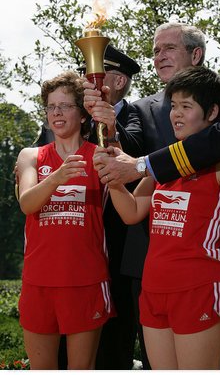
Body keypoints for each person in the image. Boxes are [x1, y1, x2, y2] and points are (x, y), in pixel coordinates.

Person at [84, 21, 220, 368]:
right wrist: (109, 135)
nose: (158, 57)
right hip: (152, 278)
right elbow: (133, 163)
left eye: (168, 49)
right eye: (155, 50)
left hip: (205, 279)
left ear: (196, 54)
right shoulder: (146, 111)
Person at [32, 46, 142, 370]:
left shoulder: (135, 116)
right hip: (60, 259)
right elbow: (42, 161)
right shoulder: (60, 123)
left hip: (114, 255)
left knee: (111, 350)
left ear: (118, 80)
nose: (87, 79)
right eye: (84, 73)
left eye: (94, 73)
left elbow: (137, 162)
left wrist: (110, 128)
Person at [16, 71, 115, 370]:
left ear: (83, 115)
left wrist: (109, 127)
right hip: (38, 282)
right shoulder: (31, 156)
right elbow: (27, 203)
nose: (56, 113)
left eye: (65, 106)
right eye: (50, 106)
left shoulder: (99, 156)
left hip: (86, 281)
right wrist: (58, 176)